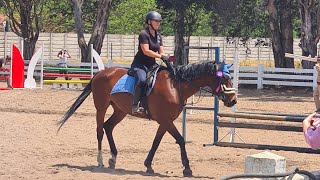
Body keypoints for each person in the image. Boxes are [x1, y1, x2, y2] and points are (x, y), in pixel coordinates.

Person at [130, 11, 174, 114]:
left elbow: (161, 50)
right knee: (141, 80)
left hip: (152, 64)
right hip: (140, 64)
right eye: (156, 21)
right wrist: (160, 56)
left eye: (159, 21)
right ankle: (135, 105)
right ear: (149, 22)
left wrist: (165, 58)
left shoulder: (158, 36)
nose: (158, 23)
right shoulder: (143, 34)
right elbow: (146, 51)